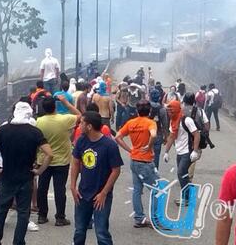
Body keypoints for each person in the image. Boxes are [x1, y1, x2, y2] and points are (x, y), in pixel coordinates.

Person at [0, 102, 53, 245]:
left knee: (1, 210)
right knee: (23, 213)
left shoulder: (2, 130)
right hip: (26, 176)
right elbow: (49, 153)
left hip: (6, 176)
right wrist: (39, 171)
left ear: (15, 112)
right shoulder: (34, 132)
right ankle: (18, 241)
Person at [71, 111, 124, 245]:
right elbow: (76, 163)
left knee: (101, 233)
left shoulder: (109, 145)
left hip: (101, 196)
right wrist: (72, 186)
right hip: (83, 194)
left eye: (82, 122)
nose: (79, 125)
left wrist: (104, 193)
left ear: (89, 126)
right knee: (79, 231)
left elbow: (116, 170)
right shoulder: (81, 141)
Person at [36, 95, 81, 226]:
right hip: (62, 160)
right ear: (55, 107)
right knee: (59, 189)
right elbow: (80, 115)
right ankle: (60, 217)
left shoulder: (38, 122)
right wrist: (66, 102)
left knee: (42, 188)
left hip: (43, 160)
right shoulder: (65, 119)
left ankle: (42, 215)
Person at [115, 100, 158, 228]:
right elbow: (154, 135)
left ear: (138, 111)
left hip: (134, 160)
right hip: (145, 162)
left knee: (137, 190)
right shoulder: (151, 123)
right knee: (158, 190)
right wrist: (149, 146)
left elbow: (117, 137)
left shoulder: (131, 123)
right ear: (149, 111)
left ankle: (139, 217)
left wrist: (130, 150)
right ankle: (155, 218)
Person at [162, 93, 207, 206]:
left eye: (171, 111)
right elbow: (172, 136)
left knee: (181, 173)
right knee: (184, 174)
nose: (169, 113)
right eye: (168, 111)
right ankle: (188, 195)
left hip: (188, 151)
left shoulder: (187, 120)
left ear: (177, 110)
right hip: (179, 152)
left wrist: (195, 151)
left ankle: (186, 199)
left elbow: (196, 135)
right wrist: (166, 152)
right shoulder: (173, 121)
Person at [149, 89, 169, 169]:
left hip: (147, 133)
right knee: (156, 155)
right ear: (159, 97)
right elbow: (165, 124)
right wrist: (166, 137)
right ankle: (154, 171)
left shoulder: (146, 106)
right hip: (158, 133)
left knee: (145, 153)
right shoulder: (162, 109)